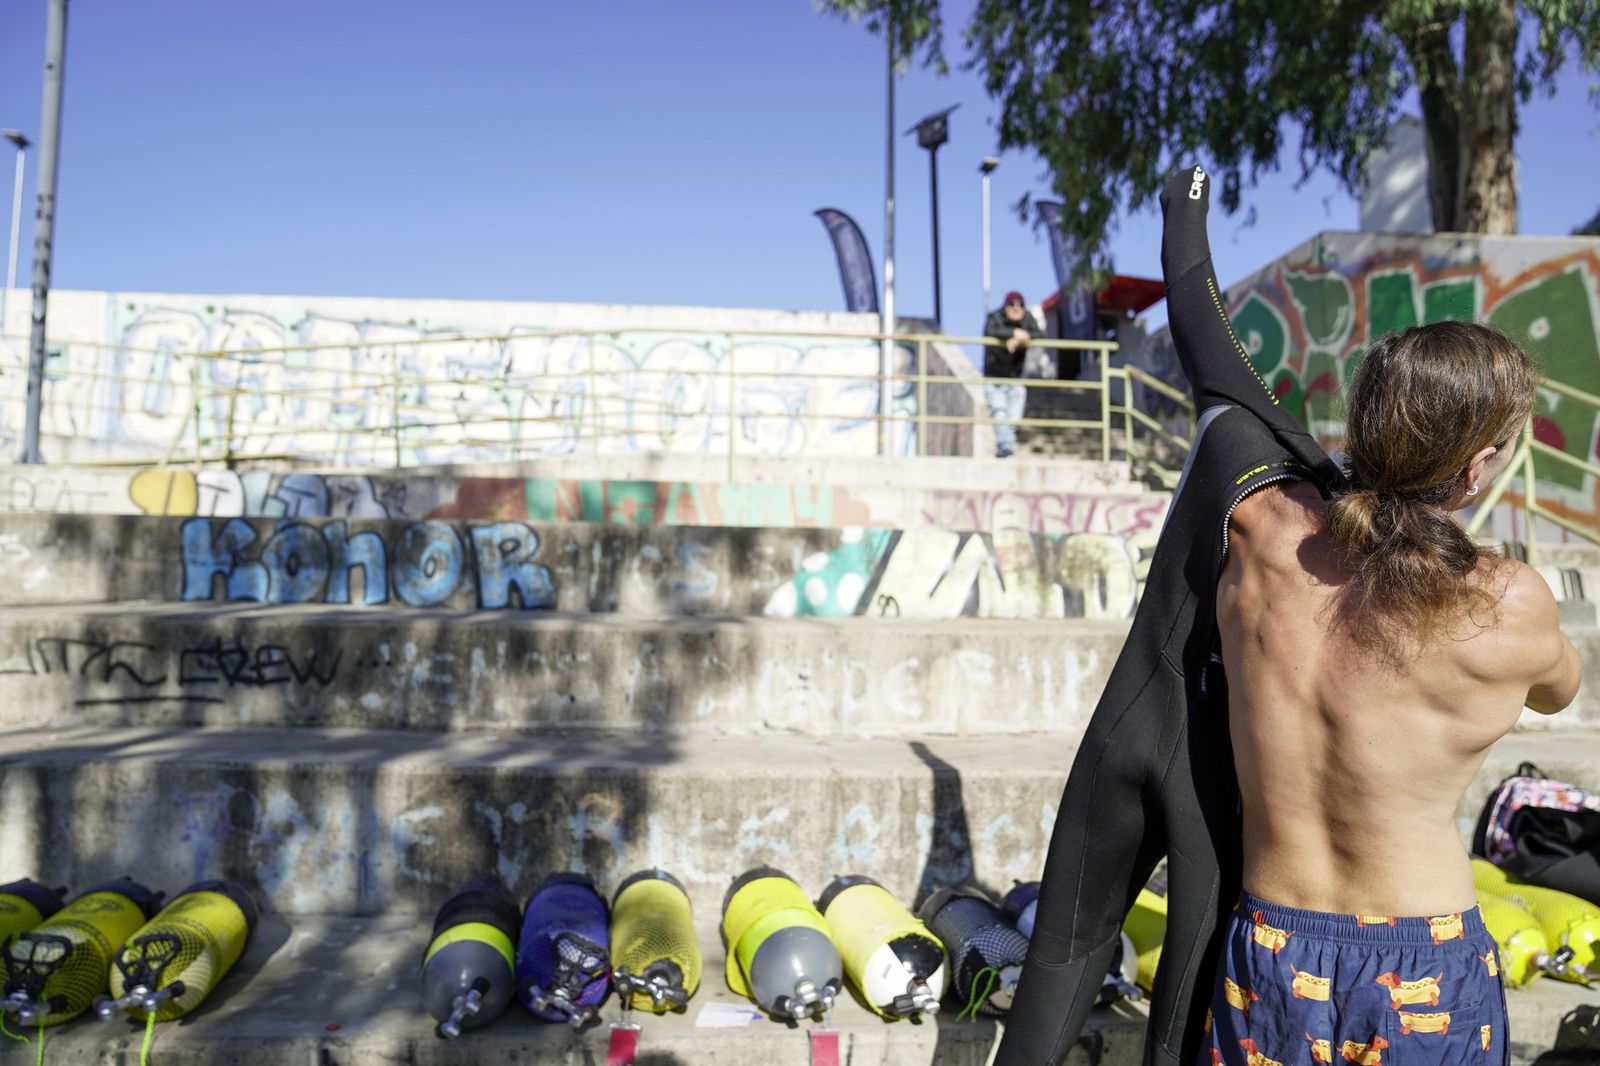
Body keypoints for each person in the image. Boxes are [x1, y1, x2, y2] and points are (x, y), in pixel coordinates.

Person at [1199, 320, 1580, 1065]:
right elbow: (1560, 689)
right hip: (1425, 961)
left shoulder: (1262, 539)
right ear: (1474, 471)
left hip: (1271, 946)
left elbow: (1213, 360)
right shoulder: (1508, 605)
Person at [982, 291, 1043, 458]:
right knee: (1000, 412)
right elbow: (989, 331)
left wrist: (1021, 339)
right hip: (994, 378)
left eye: (1020, 305)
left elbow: (1040, 334)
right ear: (1005, 307)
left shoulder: (1027, 319)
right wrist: (1013, 333)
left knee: (1014, 418)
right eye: (1012, 304)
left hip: (1015, 377)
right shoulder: (995, 317)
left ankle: (1004, 449)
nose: (1016, 308)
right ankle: (1006, 449)